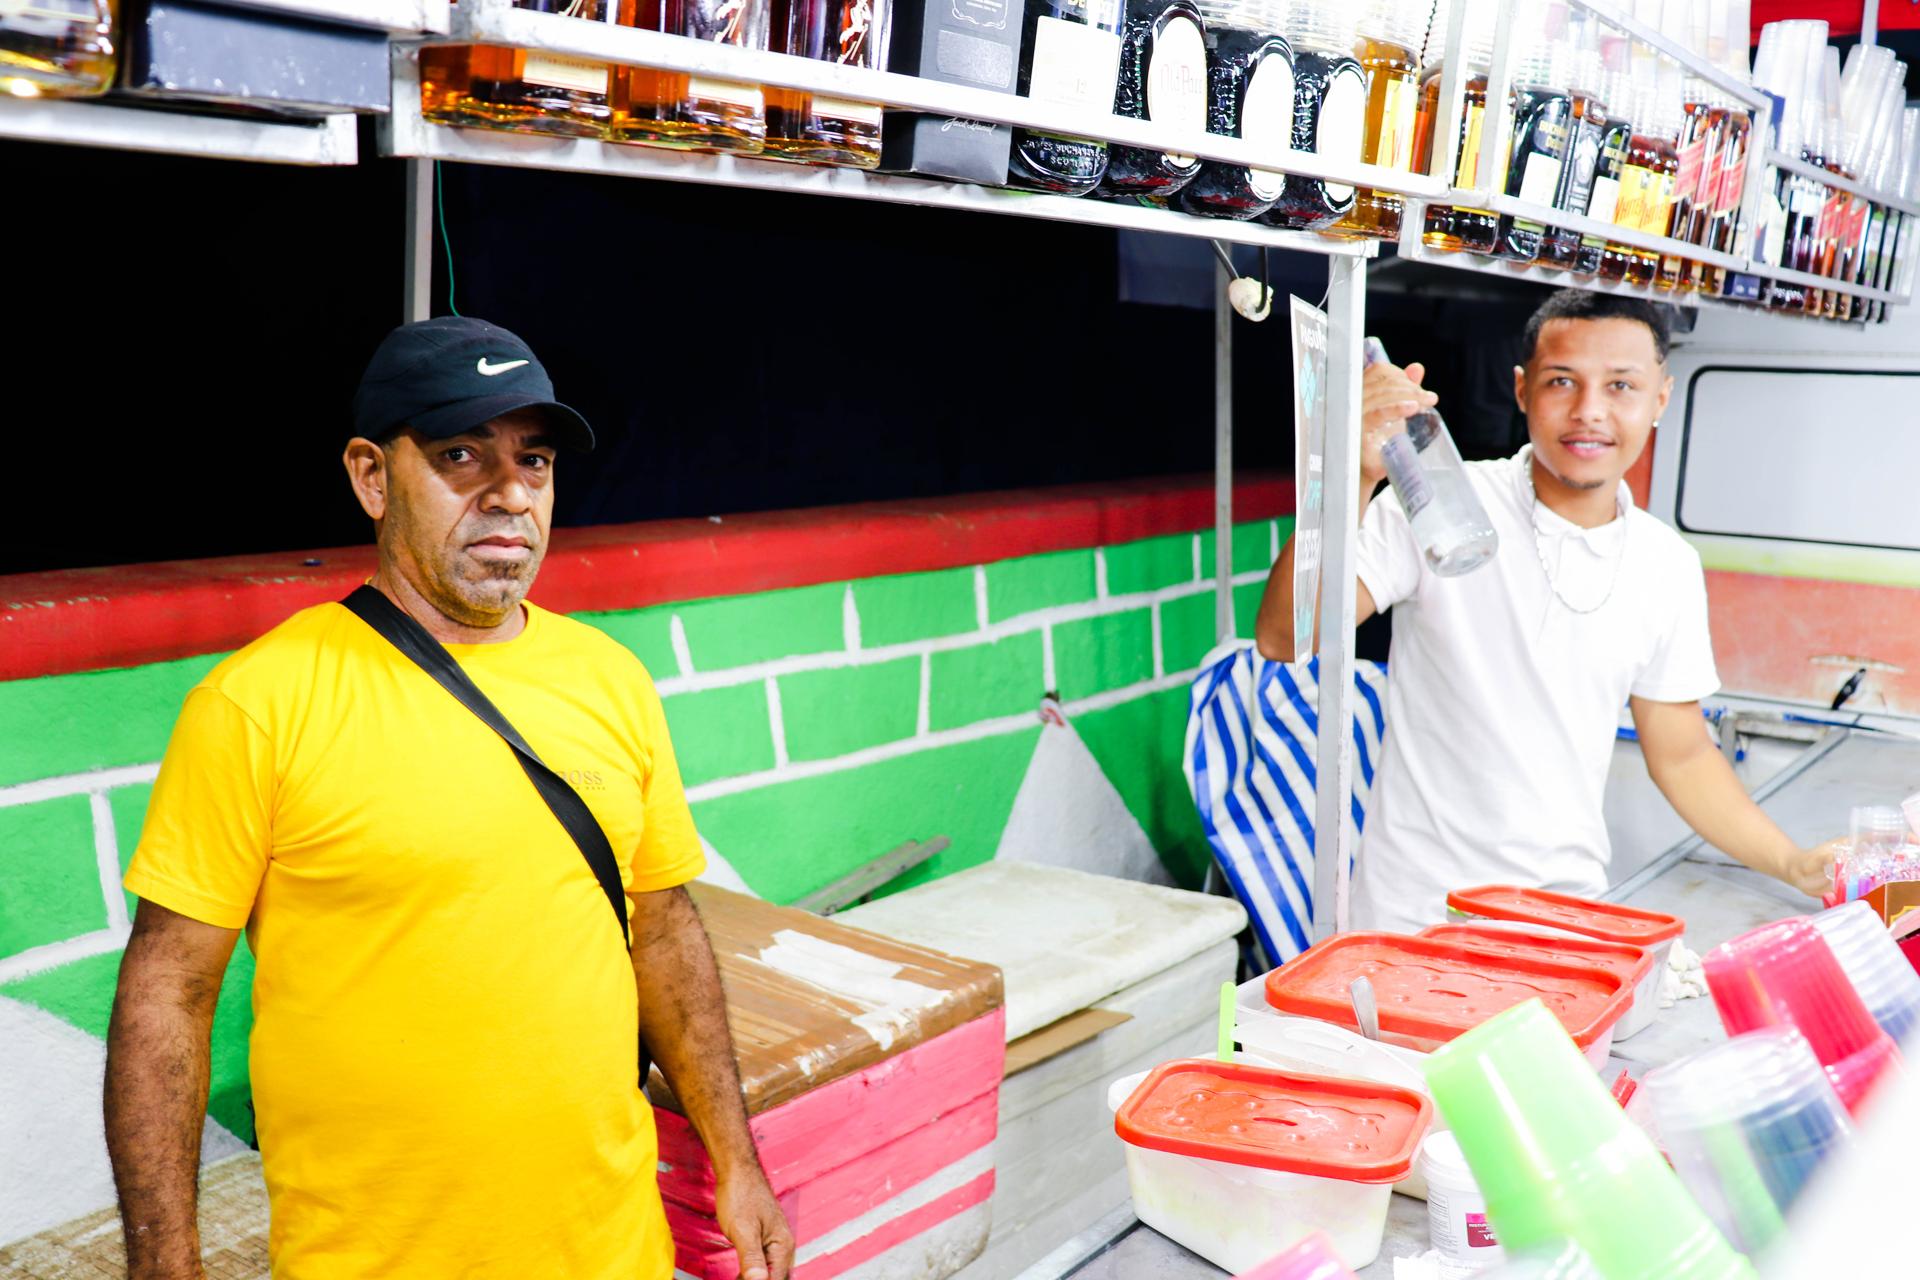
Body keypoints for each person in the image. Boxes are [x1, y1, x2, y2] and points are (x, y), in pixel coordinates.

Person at [103, 317, 792, 1279]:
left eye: (534, 461)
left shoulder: (611, 679)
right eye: (461, 455)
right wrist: (163, 1264)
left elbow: (665, 931)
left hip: (614, 1249)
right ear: (371, 478)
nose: (510, 493)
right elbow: (167, 994)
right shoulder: (260, 703)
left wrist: (737, 1162)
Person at [1254, 290, 1838, 934]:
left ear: (1660, 400)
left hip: (1564, 915)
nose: (1590, 411)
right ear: (1522, 389)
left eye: (1621, 386)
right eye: (1562, 381)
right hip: (1413, 916)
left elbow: (1683, 755)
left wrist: (1793, 863)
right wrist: (1353, 476)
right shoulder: (1438, 502)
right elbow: (1285, 637)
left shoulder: (1666, 564)